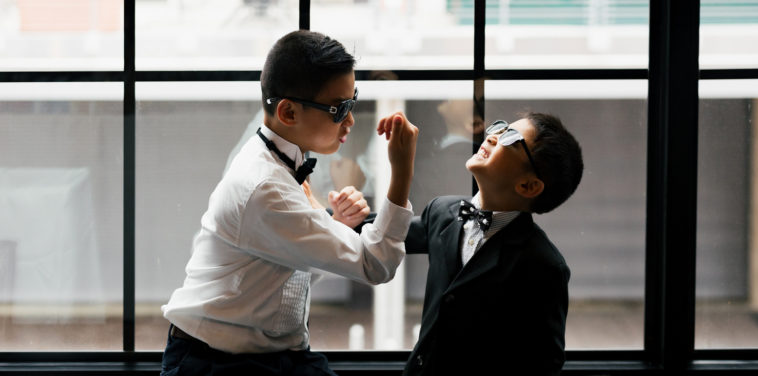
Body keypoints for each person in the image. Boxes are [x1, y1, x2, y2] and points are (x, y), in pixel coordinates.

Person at [161, 30, 418, 375]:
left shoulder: (281, 165)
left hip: (270, 354)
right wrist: (400, 173)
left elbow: (281, 272)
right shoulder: (267, 186)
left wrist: (333, 227)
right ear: (288, 112)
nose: (351, 120)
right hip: (215, 364)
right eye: (339, 109)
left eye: (352, 102)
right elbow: (376, 265)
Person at [386, 111, 583, 376]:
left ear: (528, 185)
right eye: (500, 128)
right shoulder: (442, 211)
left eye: (510, 138)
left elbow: (543, 364)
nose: (492, 136)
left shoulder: (543, 265)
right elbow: (388, 232)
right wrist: (335, 215)